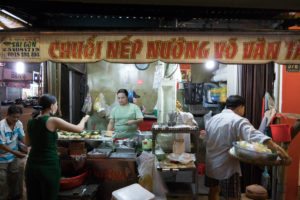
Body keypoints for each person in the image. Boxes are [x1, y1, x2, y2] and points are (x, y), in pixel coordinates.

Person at [204, 95, 291, 200]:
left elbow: (207, 138)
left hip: (211, 163)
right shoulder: (238, 120)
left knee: (213, 191)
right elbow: (256, 135)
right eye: (244, 108)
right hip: (227, 167)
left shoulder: (213, 119)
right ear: (241, 106)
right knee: (232, 197)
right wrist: (280, 150)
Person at [24, 94, 89, 200]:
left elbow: (27, 142)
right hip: (48, 166)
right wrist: (84, 119)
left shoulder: (31, 122)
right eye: (57, 104)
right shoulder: (52, 120)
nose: (57, 106)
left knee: (34, 196)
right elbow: (79, 129)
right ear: (51, 106)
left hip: (32, 166)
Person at [0, 105, 26, 200]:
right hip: (1, 156)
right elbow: (1, 145)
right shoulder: (1, 126)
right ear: (7, 115)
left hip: (13, 155)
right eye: (13, 117)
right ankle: (3, 197)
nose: (16, 119)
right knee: (2, 179)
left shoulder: (18, 124)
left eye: (18, 117)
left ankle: (13, 196)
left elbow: (23, 138)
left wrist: (28, 146)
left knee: (14, 176)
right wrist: (16, 153)